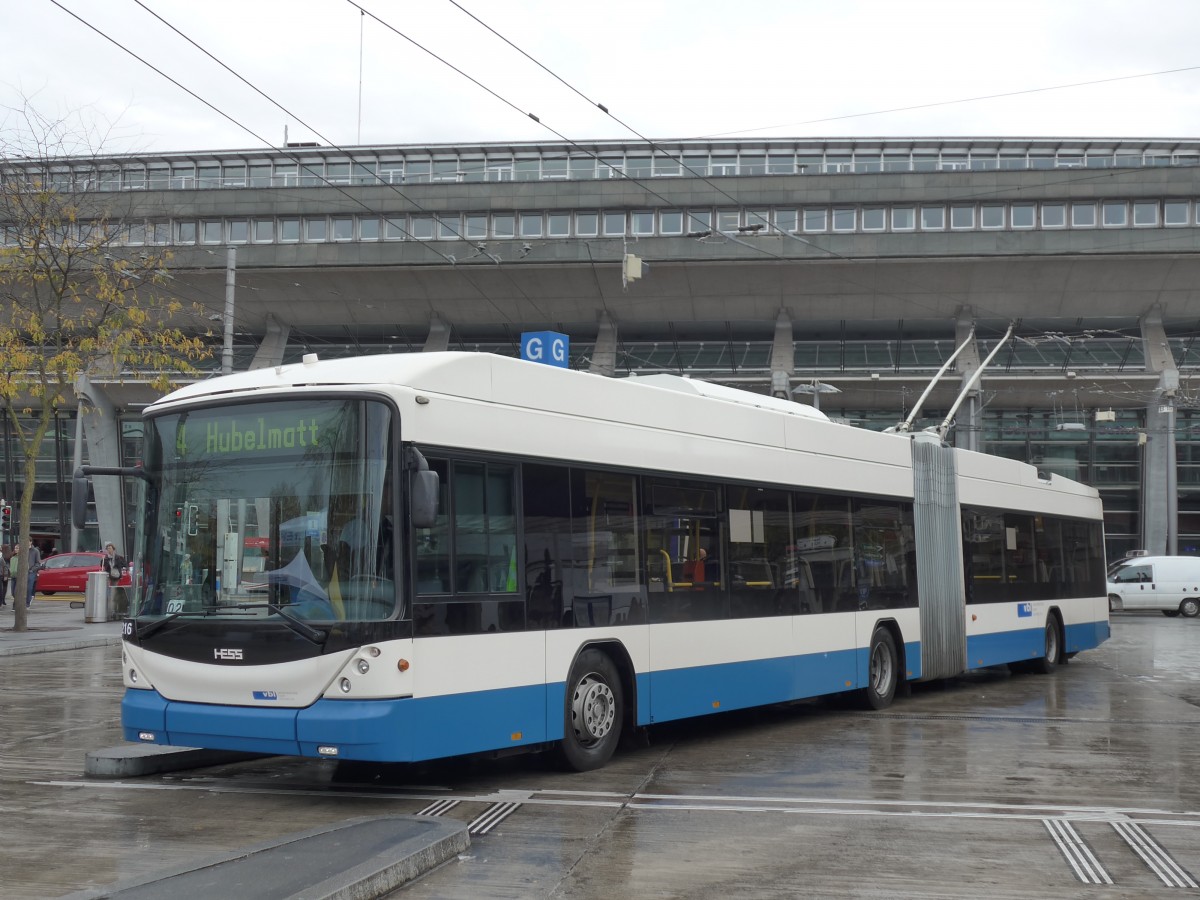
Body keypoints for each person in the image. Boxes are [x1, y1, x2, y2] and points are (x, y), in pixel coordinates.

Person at [24, 538, 41, 608]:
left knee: (29, 588)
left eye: (27, 541)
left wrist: (32, 569)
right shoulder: (22, 549)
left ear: (31, 542)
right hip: (22, 572)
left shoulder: (35, 551)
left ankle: (27, 603)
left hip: (31, 572)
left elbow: (38, 563)